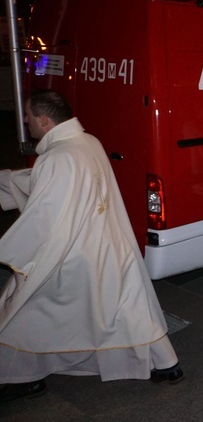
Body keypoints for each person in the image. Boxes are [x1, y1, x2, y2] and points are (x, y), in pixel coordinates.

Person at [0, 90, 182, 404]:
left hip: (76, 253)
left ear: (45, 120)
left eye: (29, 115)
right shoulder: (88, 142)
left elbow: (44, 217)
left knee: (23, 311)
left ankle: (22, 379)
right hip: (109, 245)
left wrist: (12, 250)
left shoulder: (57, 157)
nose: (25, 120)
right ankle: (166, 364)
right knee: (127, 308)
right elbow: (55, 188)